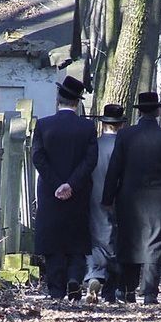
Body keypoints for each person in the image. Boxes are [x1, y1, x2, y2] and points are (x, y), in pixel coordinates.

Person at [101, 92, 161, 305]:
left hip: (128, 198)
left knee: (129, 241)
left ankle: (127, 290)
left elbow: (115, 168)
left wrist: (108, 197)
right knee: (155, 243)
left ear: (139, 111)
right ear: (157, 112)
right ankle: (149, 293)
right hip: (159, 199)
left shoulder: (125, 136)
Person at [32, 76, 98, 301]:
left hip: (51, 194)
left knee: (54, 242)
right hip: (77, 193)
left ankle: (57, 289)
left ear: (58, 99)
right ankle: (74, 278)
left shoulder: (43, 125)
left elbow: (38, 158)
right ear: (77, 103)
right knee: (76, 239)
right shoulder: (87, 127)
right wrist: (71, 184)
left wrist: (57, 184)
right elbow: (90, 161)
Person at [84, 104, 127, 304]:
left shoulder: (93, 146)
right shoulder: (126, 146)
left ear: (104, 124)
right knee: (117, 241)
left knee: (96, 237)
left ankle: (95, 275)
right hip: (122, 198)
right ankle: (112, 290)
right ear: (121, 124)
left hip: (94, 196)